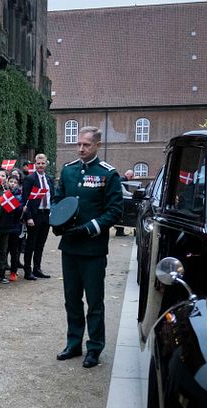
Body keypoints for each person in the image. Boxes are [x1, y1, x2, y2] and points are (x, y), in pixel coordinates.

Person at [54, 126, 123, 368]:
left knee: (94, 301)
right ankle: (74, 343)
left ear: (97, 145)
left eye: (86, 145)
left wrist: (88, 228)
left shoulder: (108, 174)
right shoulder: (69, 171)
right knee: (71, 299)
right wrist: (58, 221)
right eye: (78, 144)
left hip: (93, 249)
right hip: (70, 247)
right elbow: (58, 199)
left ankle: (94, 347)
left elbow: (115, 211)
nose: (81, 148)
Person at [22, 153, 54, 280]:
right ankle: (27, 270)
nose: (40, 165)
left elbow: (53, 196)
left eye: (43, 163)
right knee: (31, 243)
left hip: (46, 214)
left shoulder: (49, 179)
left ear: (46, 164)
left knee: (41, 243)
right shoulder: (30, 179)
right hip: (34, 215)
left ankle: (37, 268)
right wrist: (28, 217)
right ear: (35, 164)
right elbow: (25, 199)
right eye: (38, 163)